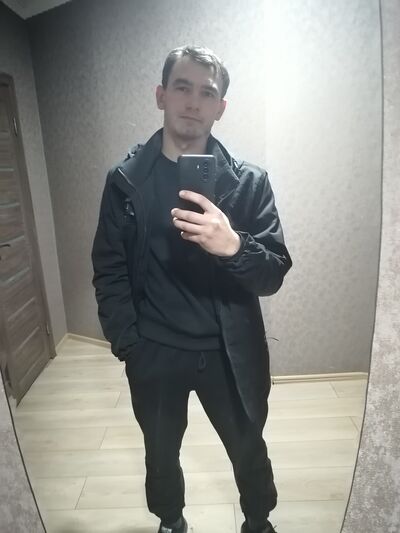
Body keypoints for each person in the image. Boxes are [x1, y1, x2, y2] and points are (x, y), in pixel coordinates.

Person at [92, 45, 292, 533]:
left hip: (230, 351)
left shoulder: (249, 183)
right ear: (161, 95)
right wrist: (127, 342)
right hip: (155, 349)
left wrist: (234, 246)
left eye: (207, 92)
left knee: (248, 445)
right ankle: (171, 521)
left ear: (221, 107)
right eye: (182, 87)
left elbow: (272, 274)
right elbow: (109, 266)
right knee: (160, 451)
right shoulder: (125, 181)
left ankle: (258, 520)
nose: (193, 101)